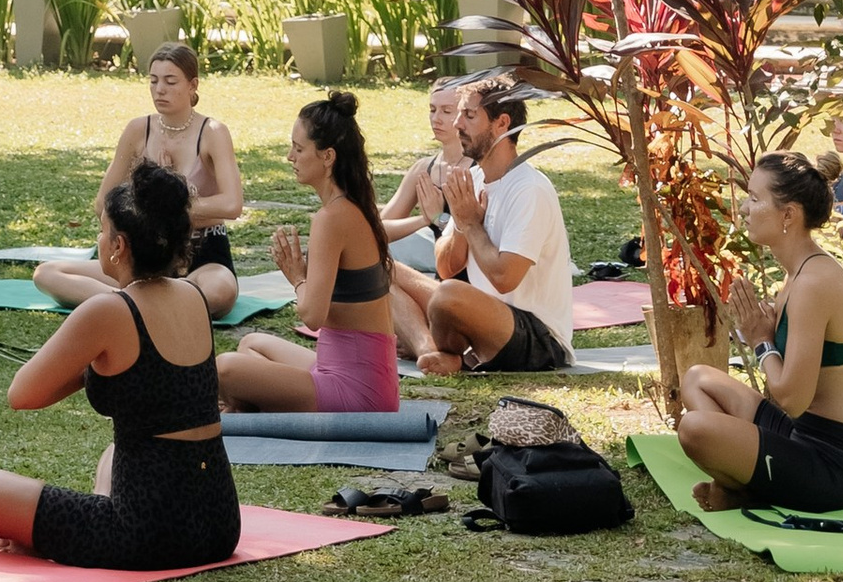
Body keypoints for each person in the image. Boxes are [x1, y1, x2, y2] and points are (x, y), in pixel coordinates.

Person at [0, 157, 241, 570]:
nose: (99, 238)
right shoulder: (194, 296)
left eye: (103, 231)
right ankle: (76, 527)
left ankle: (61, 538)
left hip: (146, 534)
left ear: (120, 246)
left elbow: (22, 394)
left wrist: (92, 359)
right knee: (112, 452)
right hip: (219, 524)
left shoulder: (109, 310)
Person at [671, 150, 843, 514]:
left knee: (695, 428)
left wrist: (761, 340)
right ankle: (740, 485)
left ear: (789, 215)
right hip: (800, 434)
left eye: (755, 199)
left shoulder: (814, 284)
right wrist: (766, 336)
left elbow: (791, 399)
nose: (744, 208)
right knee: (697, 378)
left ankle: (740, 484)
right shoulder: (798, 272)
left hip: (840, 468)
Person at [216, 91, 401, 413]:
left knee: (225, 368)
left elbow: (312, 316)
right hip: (352, 373)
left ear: (328, 156)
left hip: (358, 391)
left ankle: (245, 405)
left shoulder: (332, 219)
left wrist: (297, 276)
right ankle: (250, 402)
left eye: (299, 149)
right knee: (251, 343)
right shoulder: (350, 206)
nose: (290, 156)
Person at [34, 41, 243, 320]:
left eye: (170, 81)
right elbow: (103, 203)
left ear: (193, 85)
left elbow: (231, 205)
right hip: (144, 255)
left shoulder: (213, 132)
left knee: (219, 295)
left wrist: (163, 208)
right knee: (46, 274)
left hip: (201, 253)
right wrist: (153, 214)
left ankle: (137, 303)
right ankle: (144, 304)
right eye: (154, 81)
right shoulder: (138, 130)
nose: (160, 89)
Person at [417, 77, 577, 376]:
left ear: (502, 123)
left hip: (538, 339)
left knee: (446, 296)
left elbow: (505, 278)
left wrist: (470, 223)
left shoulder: (529, 189)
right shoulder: (474, 179)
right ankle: (437, 351)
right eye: (460, 114)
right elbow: (446, 266)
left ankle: (447, 353)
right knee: (389, 273)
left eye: (470, 115)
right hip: (483, 319)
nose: (457, 125)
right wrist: (463, 226)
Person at [378, 73, 474, 357]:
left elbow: (479, 238)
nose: (437, 119)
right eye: (433, 110)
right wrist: (422, 220)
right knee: (376, 270)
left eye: (447, 111)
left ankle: (422, 340)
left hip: (475, 295)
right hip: (440, 287)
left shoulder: (478, 170)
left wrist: (439, 219)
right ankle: (425, 343)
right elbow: (377, 229)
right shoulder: (425, 168)